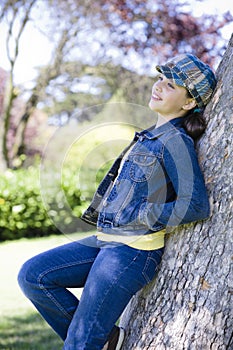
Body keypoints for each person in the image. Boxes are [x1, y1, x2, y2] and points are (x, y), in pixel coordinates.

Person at [18, 54, 217, 350]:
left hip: (132, 252)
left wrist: (140, 213)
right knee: (34, 276)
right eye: (160, 78)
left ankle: (88, 340)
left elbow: (196, 205)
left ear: (188, 103)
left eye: (171, 85)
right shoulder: (151, 136)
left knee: (80, 341)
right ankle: (106, 339)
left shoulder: (176, 141)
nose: (159, 86)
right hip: (108, 241)